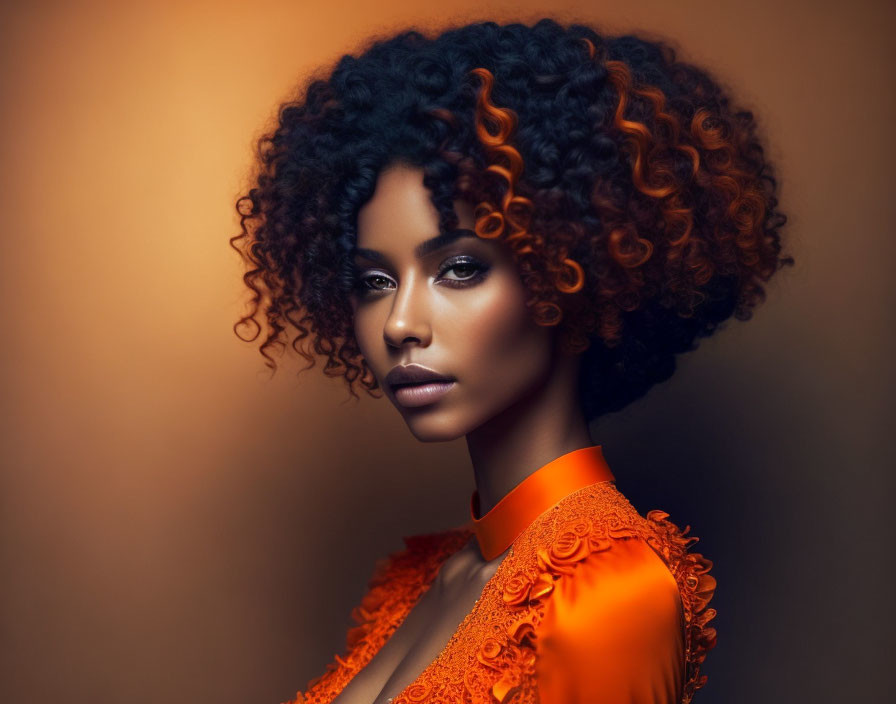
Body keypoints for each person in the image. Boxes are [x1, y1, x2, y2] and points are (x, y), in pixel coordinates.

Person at [230, 18, 793, 704]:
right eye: (374, 282)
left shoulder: (606, 592)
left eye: (460, 269)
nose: (400, 324)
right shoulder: (421, 580)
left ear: (569, 271)